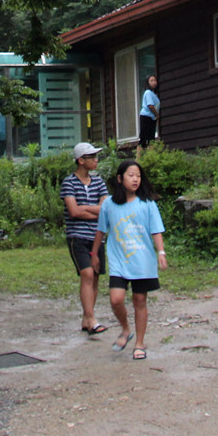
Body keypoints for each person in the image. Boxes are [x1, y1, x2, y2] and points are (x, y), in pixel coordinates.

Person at [92, 160, 167, 360]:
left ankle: (139, 344)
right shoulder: (109, 204)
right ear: (120, 178)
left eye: (138, 176)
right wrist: (95, 254)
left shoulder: (147, 204)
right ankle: (126, 329)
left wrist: (161, 252)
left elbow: (156, 230)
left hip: (142, 261)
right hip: (119, 260)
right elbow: (101, 230)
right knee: (116, 299)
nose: (135, 180)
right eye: (131, 175)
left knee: (139, 300)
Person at [62, 142, 109, 335]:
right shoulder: (69, 183)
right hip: (77, 236)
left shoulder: (99, 182)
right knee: (87, 274)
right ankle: (92, 319)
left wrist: (85, 209)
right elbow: (73, 211)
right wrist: (95, 211)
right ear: (81, 160)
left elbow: (105, 209)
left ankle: (86, 318)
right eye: (92, 157)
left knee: (95, 276)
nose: (96, 160)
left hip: (97, 236)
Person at [138, 74, 160, 148]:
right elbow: (150, 105)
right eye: (151, 81)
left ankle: (150, 154)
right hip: (146, 116)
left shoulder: (154, 94)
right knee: (143, 138)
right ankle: (139, 155)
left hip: (152, 118)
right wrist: (157, 114)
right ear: (148, 83)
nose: (154, 82)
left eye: (155, 81)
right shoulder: (148, 92)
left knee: (151, 139)